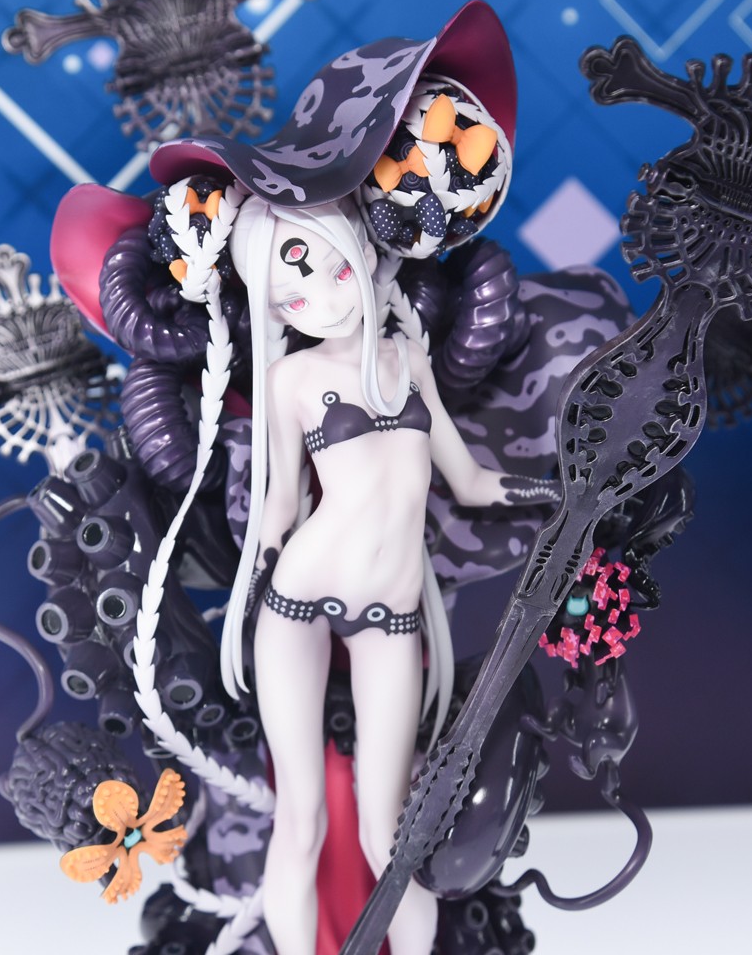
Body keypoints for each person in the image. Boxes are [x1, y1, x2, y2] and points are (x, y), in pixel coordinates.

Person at [220, 192, 558, 955]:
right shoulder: (290, 379)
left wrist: (558, 495)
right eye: (292, 297)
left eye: (335, 270)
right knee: (300, 817)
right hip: (298, 598)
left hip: (393, 615)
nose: (323, 301)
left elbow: (469, 483)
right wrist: (252, 587)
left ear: (366, 254)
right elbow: (281, 504)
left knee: (393, 834)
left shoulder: (409, 362)